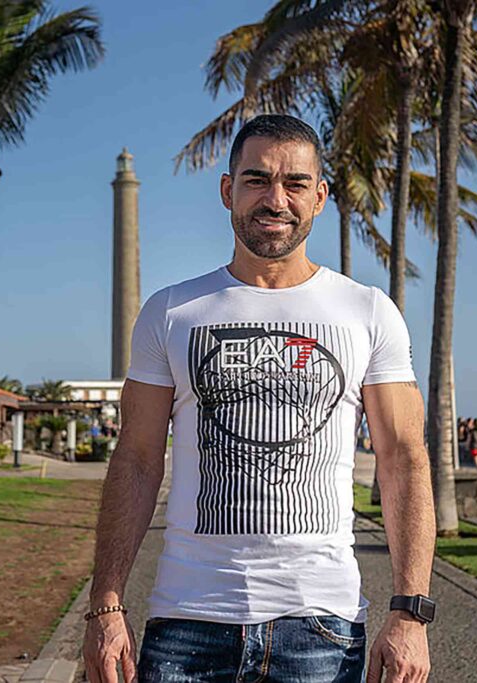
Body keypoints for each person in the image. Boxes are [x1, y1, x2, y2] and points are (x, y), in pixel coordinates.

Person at [82, 115, 435, 683]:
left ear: (319, 198)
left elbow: (402, 461)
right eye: (257, 180)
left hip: (321, 624)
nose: (276, 199)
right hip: (187, 621)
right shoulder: (173, 311)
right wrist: (106, 605)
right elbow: (137, 459)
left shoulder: (367, 311)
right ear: (228, 190)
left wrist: (410, 612)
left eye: (295, 183)